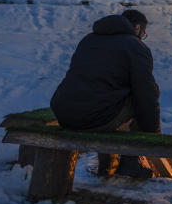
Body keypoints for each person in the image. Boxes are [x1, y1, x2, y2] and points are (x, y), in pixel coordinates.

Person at [50, 9, 161, 178]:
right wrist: (151, 134)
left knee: (106, 98)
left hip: (64, 113)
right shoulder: (135, 46)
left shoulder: (88, 40)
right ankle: (131, 161)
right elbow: (146, 93)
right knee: (140, 96)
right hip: (95, 117)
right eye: (144, 33)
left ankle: (107, 164)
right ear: (138, 28)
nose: (142, 36)